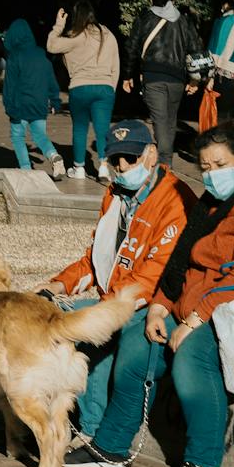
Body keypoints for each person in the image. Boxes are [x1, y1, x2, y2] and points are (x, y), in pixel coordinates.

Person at [65, 122, 234, 467]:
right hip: (197, 302)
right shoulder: (211, 203)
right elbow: (179, 263)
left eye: (219, 164)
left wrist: (193, 321)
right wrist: (160, 307)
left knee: (192, 358)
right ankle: (110, 445)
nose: (211, 174)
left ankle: (204, 465)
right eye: (205, 166)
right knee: (138, 337)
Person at [38, 120, 195, 439]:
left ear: (151, 155)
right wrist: (58, 285)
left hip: (152, 303)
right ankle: (65, 421)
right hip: (117, 296)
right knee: (48, 317)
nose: (122, 166)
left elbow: (153, 276)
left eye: (131, 158)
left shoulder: (174, 199)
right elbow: (96, 258)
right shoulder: (116, 194)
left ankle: (89, 431)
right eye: (115, 160)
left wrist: (100, 311)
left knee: (79, 330)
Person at [122, 0, 203, 164]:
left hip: (153, 77)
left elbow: (132, 47)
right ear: (172, 0)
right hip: (177, 78)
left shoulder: (144, 18)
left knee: (159, 119)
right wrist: (194, 80)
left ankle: (165, 161)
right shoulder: (184, 21)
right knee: (170, 120)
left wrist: (127, 75)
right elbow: (196, 49)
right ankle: (165, 160)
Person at [46, 1, 121, 182]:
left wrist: (59, 25)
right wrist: (112, 86)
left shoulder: (75, 36)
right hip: (104, 87)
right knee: (103, 130)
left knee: (80, 128)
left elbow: (51, 46)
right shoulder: (107, 34)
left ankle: (78, 168)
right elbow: (115, 64)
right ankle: (103, 168)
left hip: (79, 87)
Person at [1, 19, 65, 179]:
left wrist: (8, 106)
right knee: (40, 136)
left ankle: (26, 169)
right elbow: (51, 80)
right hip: (39, 104)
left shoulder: (14, 57)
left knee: (17, 136)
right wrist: (55, 101)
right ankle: (53, 156)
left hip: (19, 105)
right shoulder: (41, 55)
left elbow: (10, 85)